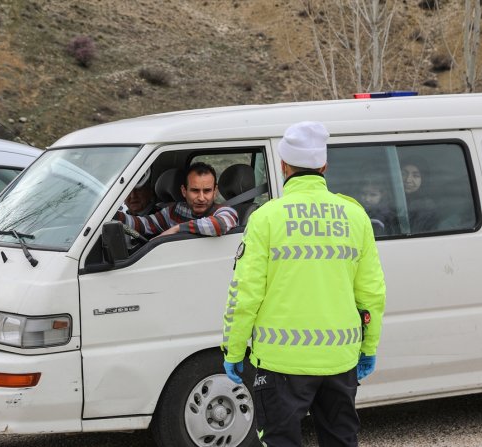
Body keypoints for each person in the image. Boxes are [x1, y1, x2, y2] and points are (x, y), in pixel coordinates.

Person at [221, 121, 386, 447]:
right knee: (341, 440)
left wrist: (234, 348)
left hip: (281, 362)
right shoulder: (355, 216)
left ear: (283, 166)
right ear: (324, 166)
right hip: (340, 359)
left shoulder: (266, 218)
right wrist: (368, 348)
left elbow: (245, 294)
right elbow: (371, 293)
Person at [115, 162, 238, 237]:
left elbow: (220, 225)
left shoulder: (226, 212)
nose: (201, 198)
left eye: (207, 191)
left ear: (215, 191)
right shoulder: (174, 211)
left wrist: (176, 229)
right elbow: (143, 224)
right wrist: (114, 216)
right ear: (184, 191)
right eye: (195, 190)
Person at [400, 155, 438, 233]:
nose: (408, 180)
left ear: (423, 180)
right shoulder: (386, 199)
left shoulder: (427, 207)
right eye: (404, 174)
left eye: (416, 176)